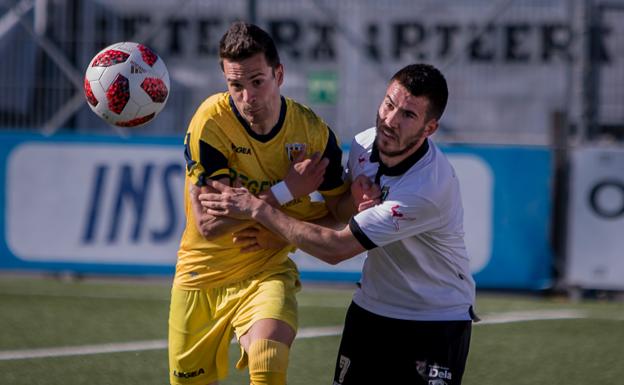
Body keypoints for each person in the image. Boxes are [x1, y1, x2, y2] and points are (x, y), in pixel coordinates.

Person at [199, 63, 478, 385]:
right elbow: (339, 215)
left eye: (408, 115)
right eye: (389, 104)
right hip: (372, 310)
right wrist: (285, 234)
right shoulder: (362, 145)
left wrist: (257, 208)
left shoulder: (426, 189)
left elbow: (337, 248)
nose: (390, 120)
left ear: (429, 128)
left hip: (434, 321)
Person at [169, 21, 349, 385]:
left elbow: (340, 215)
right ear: (225, 79)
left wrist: (356, 202)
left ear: (278, 74)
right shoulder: (211, 123)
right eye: (236, 85)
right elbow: (210, 225)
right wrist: (286, 190)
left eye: (257, 82)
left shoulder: (312, 133)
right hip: (200, 277)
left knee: (267, 358)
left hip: (265, 271)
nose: (248, 97)